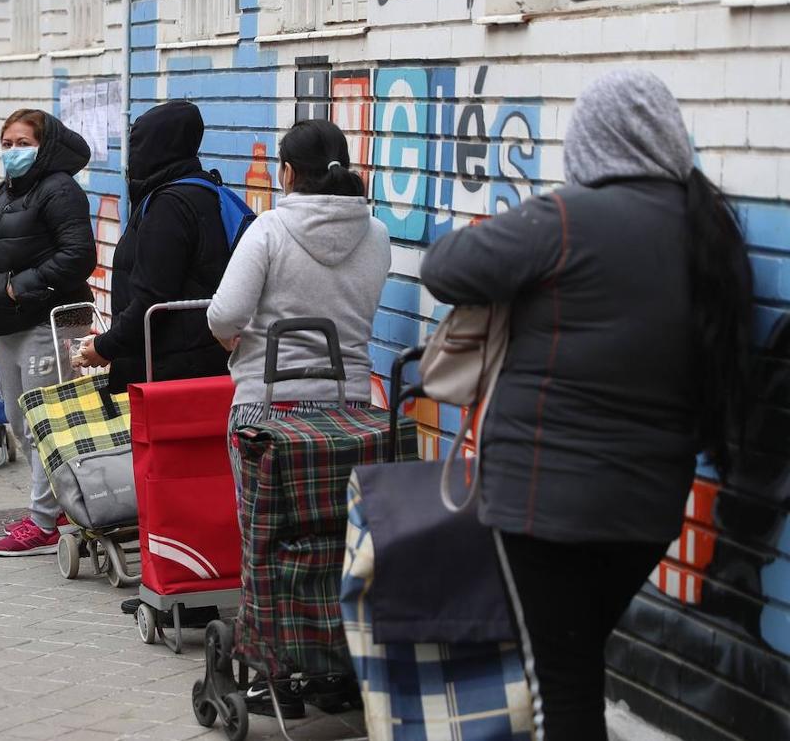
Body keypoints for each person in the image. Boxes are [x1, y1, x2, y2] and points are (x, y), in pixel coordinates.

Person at [419, 69, 754, 741]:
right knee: (575, 666)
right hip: (647, 508)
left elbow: (443, 267)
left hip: (546, 510)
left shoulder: (565, 218)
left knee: (561, 689)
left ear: (592, 142)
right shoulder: (710, 228)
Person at [208, 119, 390, 500]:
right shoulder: (376, 234)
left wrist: (228, 338)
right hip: (350, 408)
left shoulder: (268, 229)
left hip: (269, 408)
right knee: (338, 530)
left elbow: (224, 314)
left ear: (288, 172)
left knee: (265, 534)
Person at [0, 108, 97, 557]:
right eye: (7, 143)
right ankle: (58, 508)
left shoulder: (60, 190)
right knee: (21, 423)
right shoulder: (6, 191)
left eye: (24, 144)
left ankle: (45, 520)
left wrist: (18, 288)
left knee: (47, 422)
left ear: (45, 146)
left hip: (49, 320)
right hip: (9, 322)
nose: (13, 152)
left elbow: (79, 255)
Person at [74, 100, 232, 392]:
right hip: (201, 360)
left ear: (156, 146)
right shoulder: (203, 192)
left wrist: (105, 347)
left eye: (137, 144)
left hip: (168, 373)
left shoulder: (168, 207)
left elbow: (153, 300)